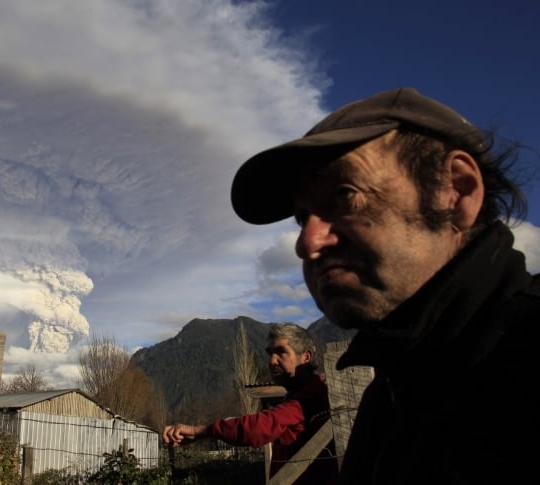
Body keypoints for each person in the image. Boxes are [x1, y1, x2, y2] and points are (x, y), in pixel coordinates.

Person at [230, 87, 540, 484]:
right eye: (302, 216)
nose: (307, 243)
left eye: (345, 196)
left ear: (457, 191)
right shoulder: (393, 390)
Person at [163, 323, 338, 485]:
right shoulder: (299, 394)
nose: (272, 361)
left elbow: (259, 427)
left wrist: (201, 431)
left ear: (306, 356)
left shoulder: (311, 396)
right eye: (270, 354)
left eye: (281, 352)